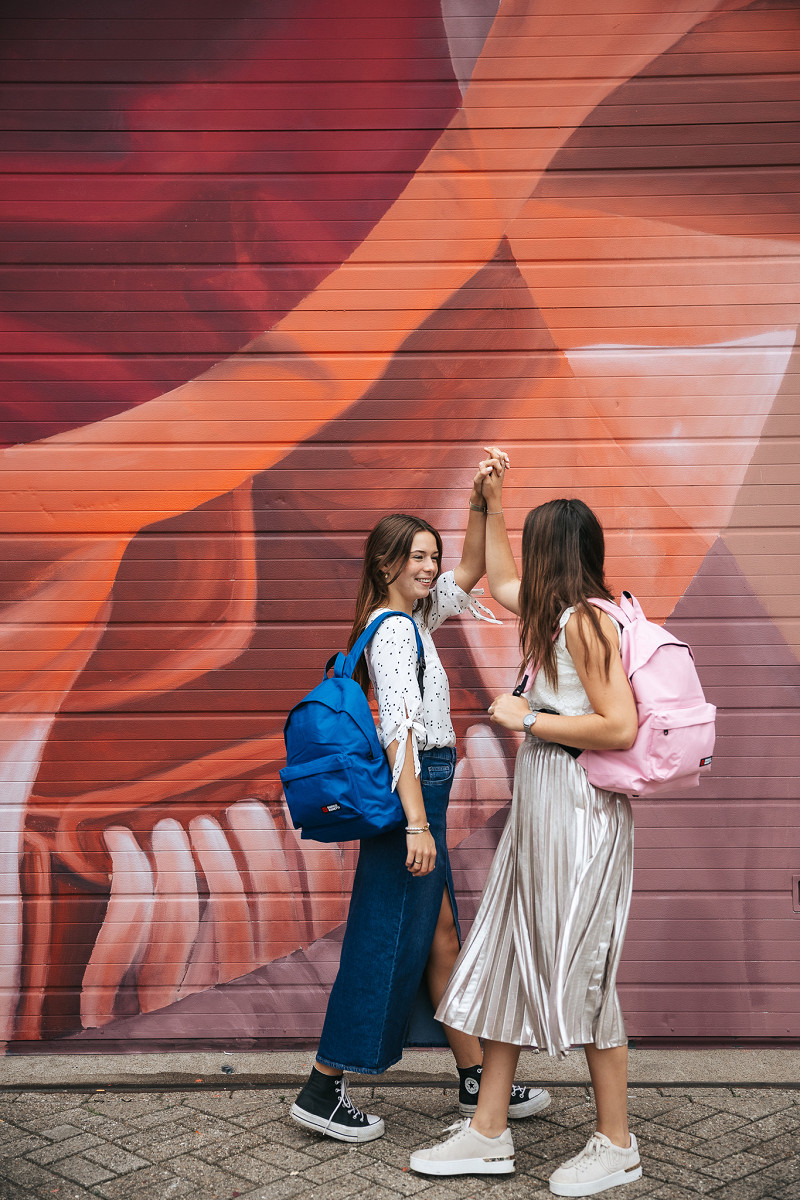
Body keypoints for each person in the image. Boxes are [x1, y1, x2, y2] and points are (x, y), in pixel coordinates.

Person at [291, 450, 552, 1142]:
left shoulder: (410, 618)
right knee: (382, 937)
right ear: (386, 565)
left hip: (424, 789)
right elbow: (400, 733)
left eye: (433, 555)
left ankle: (475, 1079)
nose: (432, 567)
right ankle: (322, 1086)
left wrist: (482, 498)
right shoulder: (395, 630)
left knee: (439, 935)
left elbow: (471, 572)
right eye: (417, 557)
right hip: (413, 793)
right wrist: (416, 822)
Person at [410, 457, 643, 1195]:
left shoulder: (586, 625)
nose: (523, 565)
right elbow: (501, 579)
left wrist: (529, 717)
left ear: (552, 556)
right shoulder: (556, 615)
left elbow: (620, 726)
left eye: (531, 547)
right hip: (545, 813)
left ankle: (616, 1143)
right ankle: (488, 1131)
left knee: (586, 969)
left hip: (578, 816)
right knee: (510, 954)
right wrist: (491, 502)